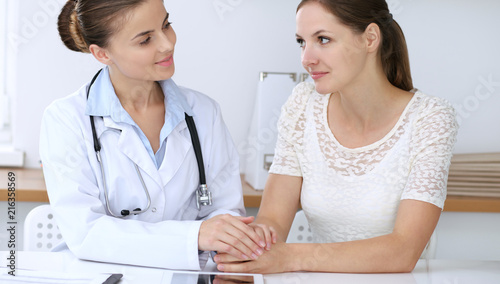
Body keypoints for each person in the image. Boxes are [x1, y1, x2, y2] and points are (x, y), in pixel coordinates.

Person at [214, 0, 458, 274]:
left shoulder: (430, 119)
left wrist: (290, 257)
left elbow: (403, 251)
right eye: (301, 42)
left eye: (323, 39)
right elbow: (272, 219)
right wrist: (249, 245)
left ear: (370, 39)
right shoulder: (302, 105)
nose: (307, 58)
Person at [40, 0, 274, 270]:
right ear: (102, 54)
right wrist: (195, 236)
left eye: (166, 25)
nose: (167, 44)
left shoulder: (204, 113)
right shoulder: (66, 119)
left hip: (187, 274)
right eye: (145, 40)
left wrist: (233, 241)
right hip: (99, 274)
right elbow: (86, 233)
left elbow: (224, 210)